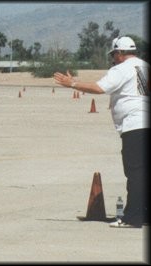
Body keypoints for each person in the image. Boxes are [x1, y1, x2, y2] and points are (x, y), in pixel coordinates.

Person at [53, 36, 149, 228]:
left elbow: (99, 88)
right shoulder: (145, 66)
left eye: (114, 54)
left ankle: (133, 218)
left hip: (136, 125)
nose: (113, 58)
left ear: (120, 53)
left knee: (136, 172)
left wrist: (71, 84)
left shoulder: (121, 68)